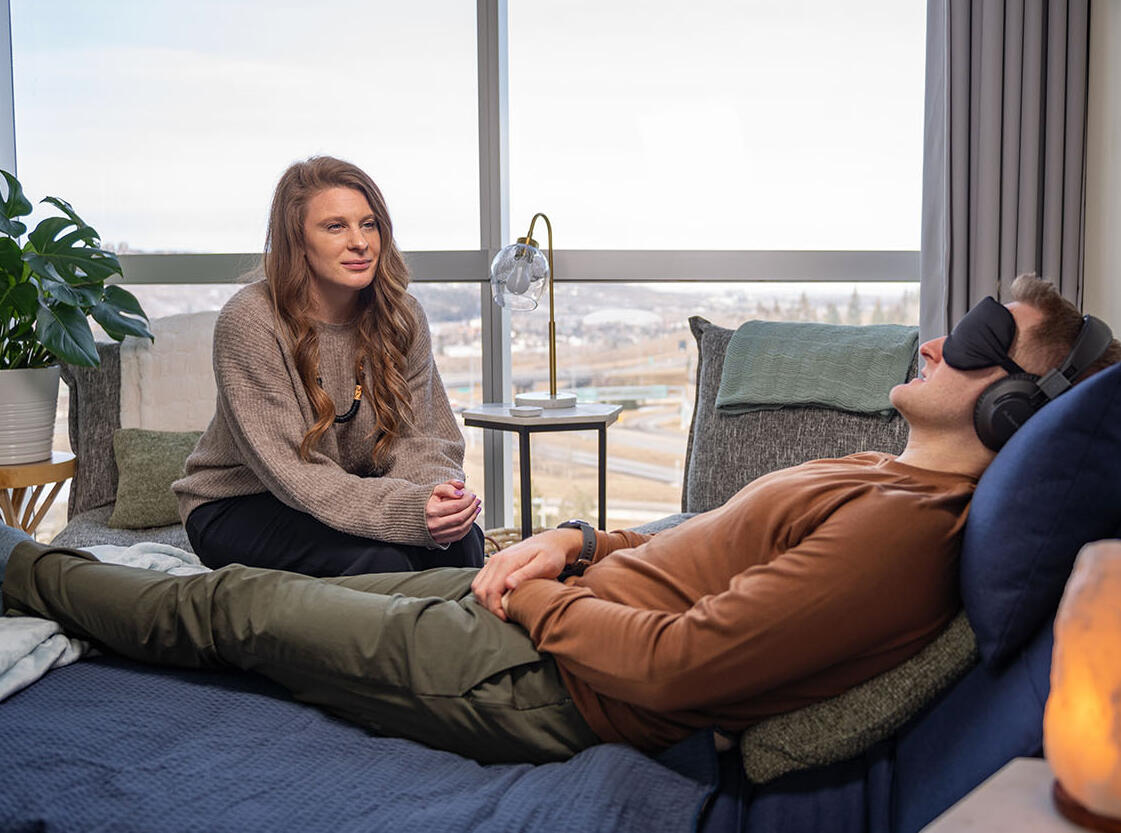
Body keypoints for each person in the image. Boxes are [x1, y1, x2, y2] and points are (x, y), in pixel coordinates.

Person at [3, 277, 1118, 765]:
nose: (935, 340)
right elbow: (700, 540)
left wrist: (533, 595)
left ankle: (16, 565)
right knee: (264, 599)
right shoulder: (877, 469)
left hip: (543, 679)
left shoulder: (904, 535)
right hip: (548, 609)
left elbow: (681, 664)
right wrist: (576, 541)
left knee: (241, 607)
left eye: (979, 338)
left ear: (1013, 407)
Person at [171, 157, 485, 576]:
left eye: (369, 224)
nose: (360, 242)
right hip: (242, 502)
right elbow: (292, 470)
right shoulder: (251, 320)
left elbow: (425, 439)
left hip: (353, 493)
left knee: (460, 543)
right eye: (335, 226)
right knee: (382, 564)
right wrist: (406, 510)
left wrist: (435, 499)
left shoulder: (402, 315)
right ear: (297, 241)